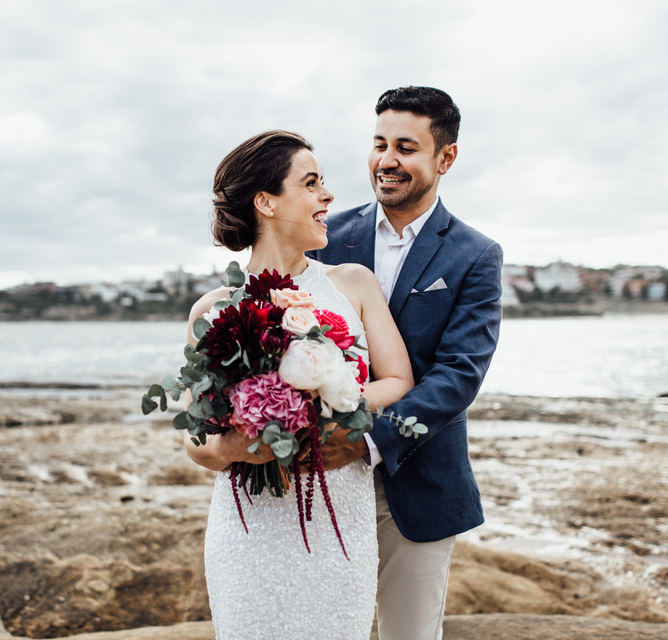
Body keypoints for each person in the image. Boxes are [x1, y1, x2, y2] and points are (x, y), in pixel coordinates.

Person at [184, 130, 415, 639]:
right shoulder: (214, 310)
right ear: (265, 201)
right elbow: (195, 443)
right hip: (248, 531)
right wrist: (239, 445)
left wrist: (326, 408)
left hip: (340, 525)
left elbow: (398, 381)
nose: (328, 196)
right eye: (311, 184)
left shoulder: (352, 284)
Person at [311, 86, 503, 640]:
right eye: (379, 144)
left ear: (446, 158)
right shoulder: (324, 237)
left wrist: (368, 440)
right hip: (322, 473)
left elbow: (459, 374)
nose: (386, 160)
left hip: (419, 479)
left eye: (406, 147)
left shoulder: (474, 255)